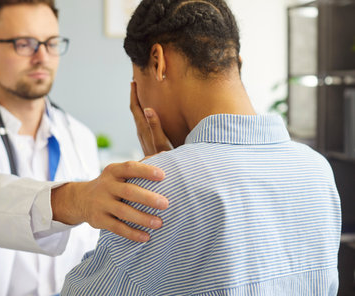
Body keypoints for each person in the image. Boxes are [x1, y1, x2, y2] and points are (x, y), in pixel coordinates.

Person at [61, 0, 342, 295]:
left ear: (158, 62)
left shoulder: (156, 188)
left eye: (136, 83)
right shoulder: (318, 172)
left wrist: (164, 172)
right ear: (237, 64)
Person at [0, 0, 170, 295]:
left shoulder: (79, 136)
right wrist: (77, 200)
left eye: (51, 42)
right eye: (23, 44)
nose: (42, 57)